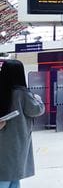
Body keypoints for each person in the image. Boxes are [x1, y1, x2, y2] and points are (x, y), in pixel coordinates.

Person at [0, 59, 45, 188]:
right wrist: (38, 100)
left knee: (7, 175)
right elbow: (36, 110)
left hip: (2, 139)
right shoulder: (21, 93)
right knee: (13, 176)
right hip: (17, 141)